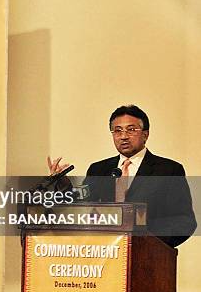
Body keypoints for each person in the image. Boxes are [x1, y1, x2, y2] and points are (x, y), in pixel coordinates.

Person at [49, 105, 197, 247]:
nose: (123, 136)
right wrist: (62, 185)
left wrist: (145, 237)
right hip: (104, 256)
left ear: (145, 134)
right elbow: (82, 210)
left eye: (131, 130)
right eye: (117, 131)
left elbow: (184, 222)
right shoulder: (99, 170)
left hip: (147, 258)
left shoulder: (168, 170)